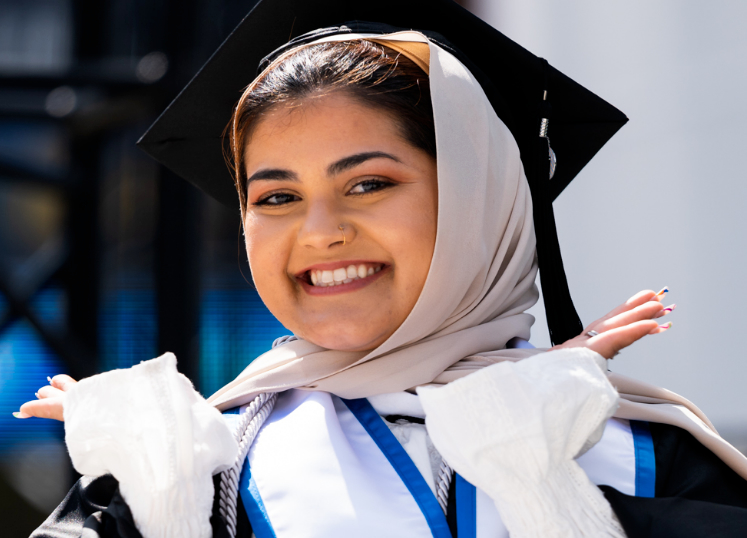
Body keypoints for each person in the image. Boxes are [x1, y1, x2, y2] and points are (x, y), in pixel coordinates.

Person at [17, 1, 747, 536]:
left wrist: (543, 488)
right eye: (275, 196)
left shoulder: (639, 454)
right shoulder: (195, 465)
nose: (320, 232)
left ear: (479, 196)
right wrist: (155, 507)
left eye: (368, 183)